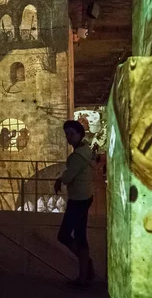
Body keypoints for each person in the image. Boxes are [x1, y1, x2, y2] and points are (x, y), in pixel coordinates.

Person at [54, 120, 95, 286]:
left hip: (78, 199)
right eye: (67, 134)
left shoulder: (77, 156)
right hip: (84, 197)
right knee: (79, 235)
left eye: (71, 134)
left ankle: (86, 267)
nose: (68, 137)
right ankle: (85, 273)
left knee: (64, 235)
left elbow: (69, 177)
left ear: (80, 134)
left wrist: (59, 179)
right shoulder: (85, 151)